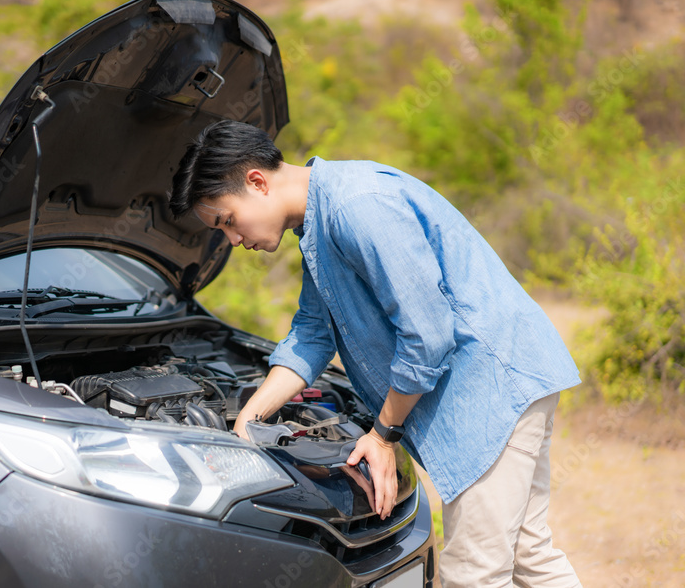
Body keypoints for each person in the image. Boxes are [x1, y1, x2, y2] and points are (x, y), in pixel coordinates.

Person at [169, 120, 582, 588]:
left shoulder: (354, 206)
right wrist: (249, 419)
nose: (233, 240)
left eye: (226, 221)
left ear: (257, 182)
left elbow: (427, 332)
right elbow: (312, 333)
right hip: (508, 384)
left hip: (492, 393)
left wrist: (383, 435)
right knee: (530, 554)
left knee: (475, 575)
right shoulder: (317, 225)